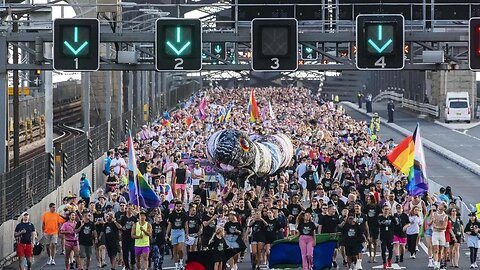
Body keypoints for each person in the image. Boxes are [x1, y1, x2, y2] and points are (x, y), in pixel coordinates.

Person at [166, 201, 188, 270]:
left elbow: (186, 225)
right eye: (177, 206)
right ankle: (176, 265)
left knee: (180, 249)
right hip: (174, 231)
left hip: (181, 231)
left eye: (180, 206)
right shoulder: (171, 215)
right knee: (174, 250)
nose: (178, 207)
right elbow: (169, 225)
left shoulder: (184, 215)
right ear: (175, 206)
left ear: (182, 207)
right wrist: (167, 234)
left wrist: (187, 234)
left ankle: (181, 262)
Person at [119, 204, 137, 270]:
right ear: (126, 209)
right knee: (125, 252)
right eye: (129, 209)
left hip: (132, 237)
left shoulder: (134, 218)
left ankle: (133, 263)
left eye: (131, 209)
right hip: (125, 237)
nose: (130, 210)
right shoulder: (123, 218)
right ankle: (127, 265)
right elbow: (120, 227)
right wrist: (120, 237)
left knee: (133, 251)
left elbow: (137, 228)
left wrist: (134, 226)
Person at [432, 202, 448, 270]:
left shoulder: (445, 216)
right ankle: (435, 263)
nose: (439, 206)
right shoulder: (435, 214)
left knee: (441, 250)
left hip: (442, 234)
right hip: (435, 233)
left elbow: (444, 227)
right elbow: (433, 223)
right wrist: (437, 226)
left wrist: (437, 226)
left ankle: (438, 263)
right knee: (436, 249)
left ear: (444, 208)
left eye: (441, 205)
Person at [378, 205, 395, 269]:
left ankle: (389, 259)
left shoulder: (391, 217)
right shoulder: (380, 217)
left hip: (390, 236)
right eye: (385, 209)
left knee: (390, 250)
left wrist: (393, 216)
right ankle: (384, 262)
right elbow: (378, 223)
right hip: (383, 237)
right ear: (382, 210)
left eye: (387, 209)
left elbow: (396, 223)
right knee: (383, 250)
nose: (386, 211)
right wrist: (383, 221)